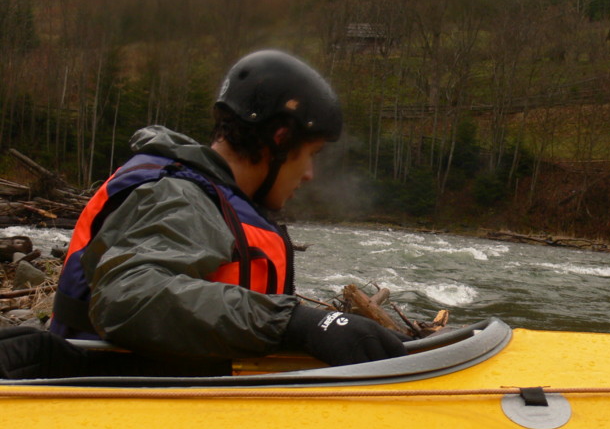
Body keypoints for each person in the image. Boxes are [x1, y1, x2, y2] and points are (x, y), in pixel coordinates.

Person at [46, 49, 406, 374]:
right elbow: (127, 297)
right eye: (310, 155)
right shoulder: (179, 196)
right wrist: (296, 324)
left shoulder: (213, 198)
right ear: (280, 139)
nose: (310, 174)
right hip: (120, 405)